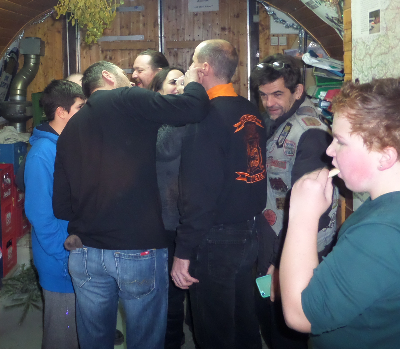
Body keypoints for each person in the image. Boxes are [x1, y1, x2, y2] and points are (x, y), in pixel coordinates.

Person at [279, 76, 400, 349]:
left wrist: (302, 214)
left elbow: (299, 315)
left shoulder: (385, 232)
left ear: (385, 157)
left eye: (340, 141)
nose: (329, 150)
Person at [52, 60, 209, 349]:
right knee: (145, 341)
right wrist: (192, 81)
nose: (132, 80)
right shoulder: (127, 98)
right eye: (125, 75)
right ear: (108, 77)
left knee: (94, 342)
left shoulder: (70, 129)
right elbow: (194, 108)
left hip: (85, 253)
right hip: (138, 248)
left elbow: (61, 206)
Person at [172, 39, 266, 349]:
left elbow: (199, 193)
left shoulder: (207, 117)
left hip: (216, 237)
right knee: (243, 321)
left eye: (192, 64)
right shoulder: (249, 109)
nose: (188, 70)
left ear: (204, 68)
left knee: (214, 330)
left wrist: (183, 252)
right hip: (248, 231)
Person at [250, 54, 338, 349]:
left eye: (277, 94)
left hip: (291, 249)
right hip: (270, 240)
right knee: (267, 309)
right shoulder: (277, 119)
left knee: (285, 329)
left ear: (298, 91)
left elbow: (312, 210)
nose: (269, 102)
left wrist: (279, 262)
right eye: (264, 95)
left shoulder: (310, 133)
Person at [24, 79, 86, 349]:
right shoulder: (43, 153)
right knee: (63, 333)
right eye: (80, 108)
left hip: (72, 254)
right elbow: (40, 215)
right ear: (61, 112)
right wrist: (64, 255)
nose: (85, 113)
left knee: (77, 330)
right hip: (59, 260)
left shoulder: (66, 144)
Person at [149, 66, 188, 349]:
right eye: (173, 82)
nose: (180, 87)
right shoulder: (157, 122)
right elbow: (164, 149)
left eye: (185, 82)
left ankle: (173, 339)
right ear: (158, 90)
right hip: (158, 219)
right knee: (161, 288)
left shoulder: (187, 119)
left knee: (177, 288)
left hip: (182, 218)